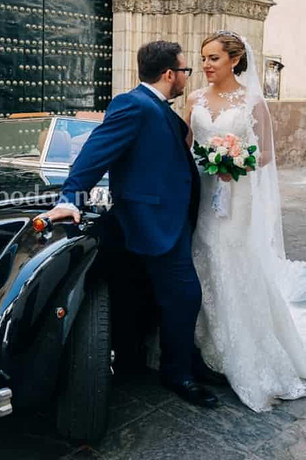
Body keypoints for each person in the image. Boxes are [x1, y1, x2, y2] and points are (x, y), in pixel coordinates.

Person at [185, 30, 306, 412]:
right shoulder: (194, 99)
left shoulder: (253, 101)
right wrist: (205, 163)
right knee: (203, 257)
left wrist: (232, 162)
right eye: (204, 58)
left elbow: (264, 156)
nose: (206, 65)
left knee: (230, 259)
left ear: (234, 60)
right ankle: (202, 343)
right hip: (203, 193)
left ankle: (241, 350)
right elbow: (187, 143)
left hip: (236, 196)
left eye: (214, 58)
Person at [39, 41, 225, 409]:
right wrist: (70, 198)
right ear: (169, 74)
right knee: (185, 296)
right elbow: (96, 151)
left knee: (163, 296)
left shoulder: (156, 106)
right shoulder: (133, 104)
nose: (187, 76)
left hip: (170, 218)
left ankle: (174, 361)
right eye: (185, 70)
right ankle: (178, 374)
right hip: (151, 221)